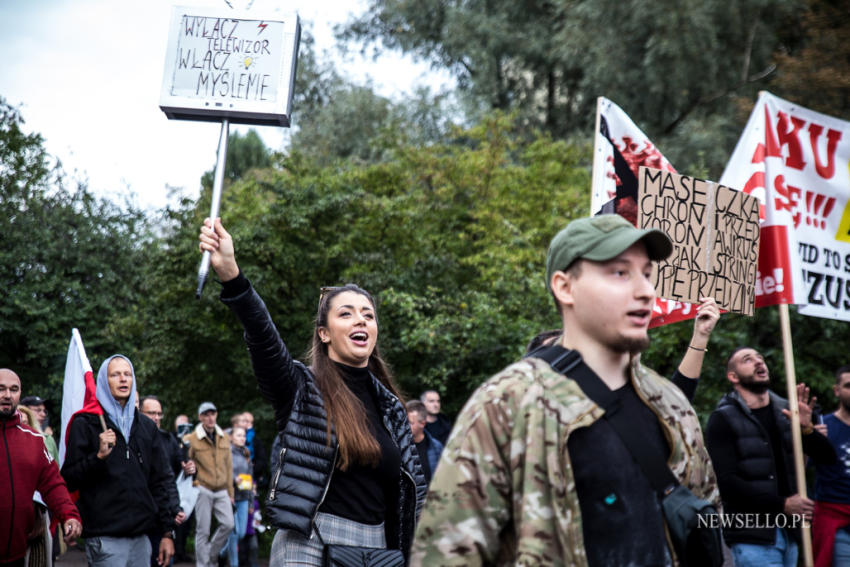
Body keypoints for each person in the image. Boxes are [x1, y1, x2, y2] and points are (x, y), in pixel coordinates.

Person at [411, 214, 720, 565]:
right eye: (620, 273)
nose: (646, 290)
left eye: (647, 274)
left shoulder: (672, 404)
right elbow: (446, 554)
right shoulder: (508, 402)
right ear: (564, 287)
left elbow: (706, 518)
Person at [198, 217, 426, 566]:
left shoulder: (392, 408)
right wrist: (232, 274)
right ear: (324, 333)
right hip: (310, 543)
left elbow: (413, 496)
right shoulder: (302, 389)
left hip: (379, 549)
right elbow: (264, 339)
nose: (361, 320)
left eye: (368, 315)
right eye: (346, 314)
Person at [705, 346, 836, 567]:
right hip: (752, 535)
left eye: (760, 358)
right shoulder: (722, 418)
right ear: (733, 376)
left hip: (790, 532)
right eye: (748, 360)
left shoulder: (787, 412)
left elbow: (827, 459)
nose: (758, 362)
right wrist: (781, 504)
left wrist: (807, 430)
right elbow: (727, 483)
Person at [61, 355, 176, 567]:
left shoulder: (146, 427)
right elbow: (68, 478)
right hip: (106, 539)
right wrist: (98, 458)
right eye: (115, 374)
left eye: (127, 374)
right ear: (104, 381)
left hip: (142, 538)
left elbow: (159, 481)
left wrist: (167, 532)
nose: (123, 379)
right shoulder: (86, 423)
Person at [0, 369, 82, 567]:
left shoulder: (34, 440)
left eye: (14, 389)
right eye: (1, 389)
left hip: (17, 555)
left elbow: (53, 484)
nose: (7, 395)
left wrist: (69, 515)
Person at [183, 402, 234, 567]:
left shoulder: (224, 437)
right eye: (206, 414)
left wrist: (231, 493)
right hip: (203, 488)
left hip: (221, 489)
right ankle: (203, 564)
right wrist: (193, 481)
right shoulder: (191, 439)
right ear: (200, 417)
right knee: (202, 530)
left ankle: (211, 556)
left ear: (216, 415)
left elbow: (229, 466)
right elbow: (184, 463)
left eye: (212, 414)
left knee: (228, 524)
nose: (210, 417)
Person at [140, 395, 188, 566]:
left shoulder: (167, 440)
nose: (156, 417)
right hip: (137, 518)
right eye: (151, 413)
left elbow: (169, 478)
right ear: (139, 412)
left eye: (159, 414)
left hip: (161, 517)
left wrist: (175, 508)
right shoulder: (130, 439)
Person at [810, 364, 850, 567]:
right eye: (848, 385)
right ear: (837, 390)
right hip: (835, 518)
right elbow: (799, 468)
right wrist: (812, 439)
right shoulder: (822, 427)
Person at [222, 426, 253, 567]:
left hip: (244, 498)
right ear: (232, 437)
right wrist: (235, 480)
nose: (242, 438)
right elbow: (222, 474)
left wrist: (251, 503)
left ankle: (220, 552)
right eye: (239, 435)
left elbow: (251, 480)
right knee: (234, 535)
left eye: (243, 436)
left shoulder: (247, 454)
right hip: (231, 497)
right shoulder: (227, 453)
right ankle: (234, 564)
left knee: (240, 534)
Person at [406, 400, 443, 484]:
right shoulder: (400, 446)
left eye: (410, 423)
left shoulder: (436, 447)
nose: (405, 426)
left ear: (422, 423)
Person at [20, 395, 59, 461]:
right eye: (38, 410)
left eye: (44, 411)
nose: (43, 414)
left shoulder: (48, 439)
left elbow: (56, 468)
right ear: (24, 411)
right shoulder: (14, 437)